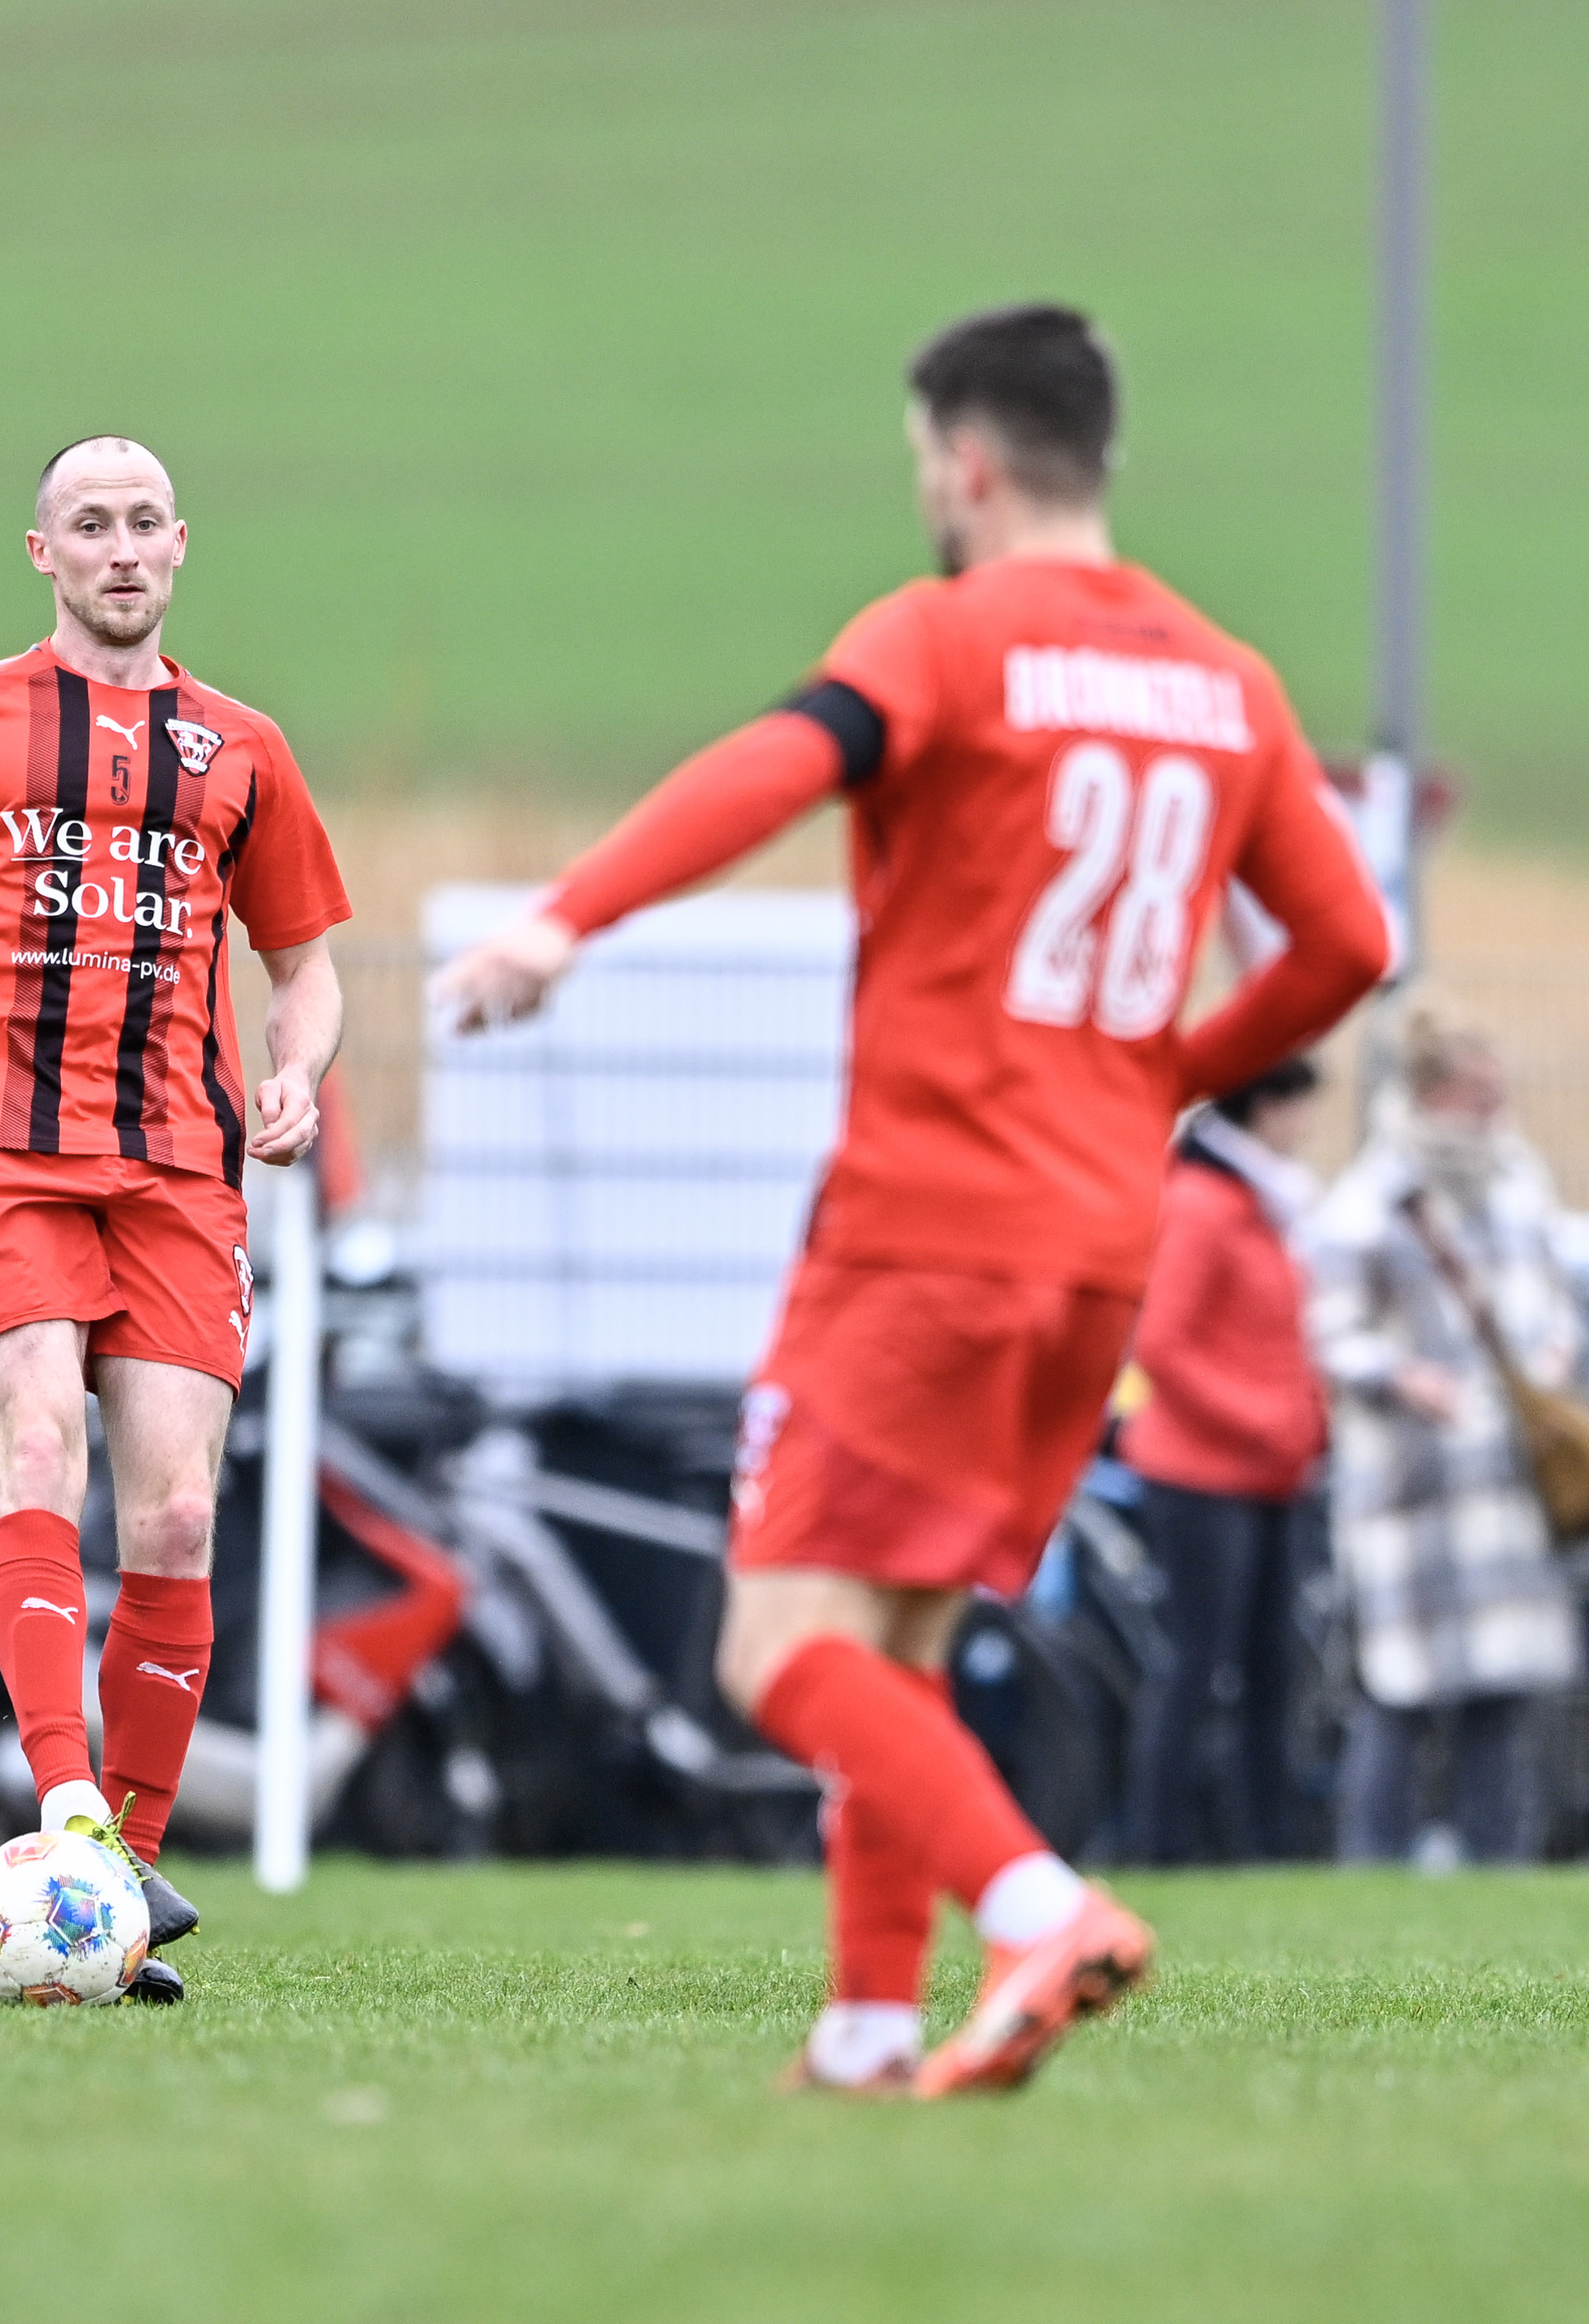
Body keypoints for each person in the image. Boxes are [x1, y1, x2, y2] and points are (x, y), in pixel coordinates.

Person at [434, 306, 1390, 2094]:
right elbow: (1344, 943)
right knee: (900, 1637)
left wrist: (567, 917)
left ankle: (1035, 1909)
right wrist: (1163, 1077)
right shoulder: (1223, 683)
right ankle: (868, 2028)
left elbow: (778, 761)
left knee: (776, 1646)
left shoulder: (945, 636)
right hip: (1094, 1245)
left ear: (961, 463)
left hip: (922, 1225)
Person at [0, 435, 350, 2003]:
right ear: (42, 552)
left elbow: (305, 966)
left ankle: (123, 1876)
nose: (119, 547)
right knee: (36, 1447)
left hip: (177, 1169)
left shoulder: (243, 750)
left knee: (176, 1519)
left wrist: (294, 1074)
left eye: (142, 521)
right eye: (88, 524)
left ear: (181, 544)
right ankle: (69, 1803)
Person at [1307, 1010, 1583, 1864]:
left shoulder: (1517, 1178)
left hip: (1507, 1480)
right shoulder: (1371, 1200)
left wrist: (1554, 1354)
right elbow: (1329, 1333)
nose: (1495, 1107)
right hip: (1413, 1486)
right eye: (1479, 1091)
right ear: (1434, 1091)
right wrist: (1402, 1375)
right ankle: (1374, 1858)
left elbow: (1555, 1290)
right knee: (1397, 1688)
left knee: (1502, 1688)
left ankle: (1496, 1857)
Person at [1119, 1055, 1328, 1864]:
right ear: (1266, 1107)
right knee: (1196, 1660)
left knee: (1272, 1665)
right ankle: (1159, 1841)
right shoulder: (1204, 1203)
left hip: (1271, 1474)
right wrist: (1262, 1420)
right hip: (1199, 1473)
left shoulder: (1262, 1203)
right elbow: (1161, 1343)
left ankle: (1267, 1842)